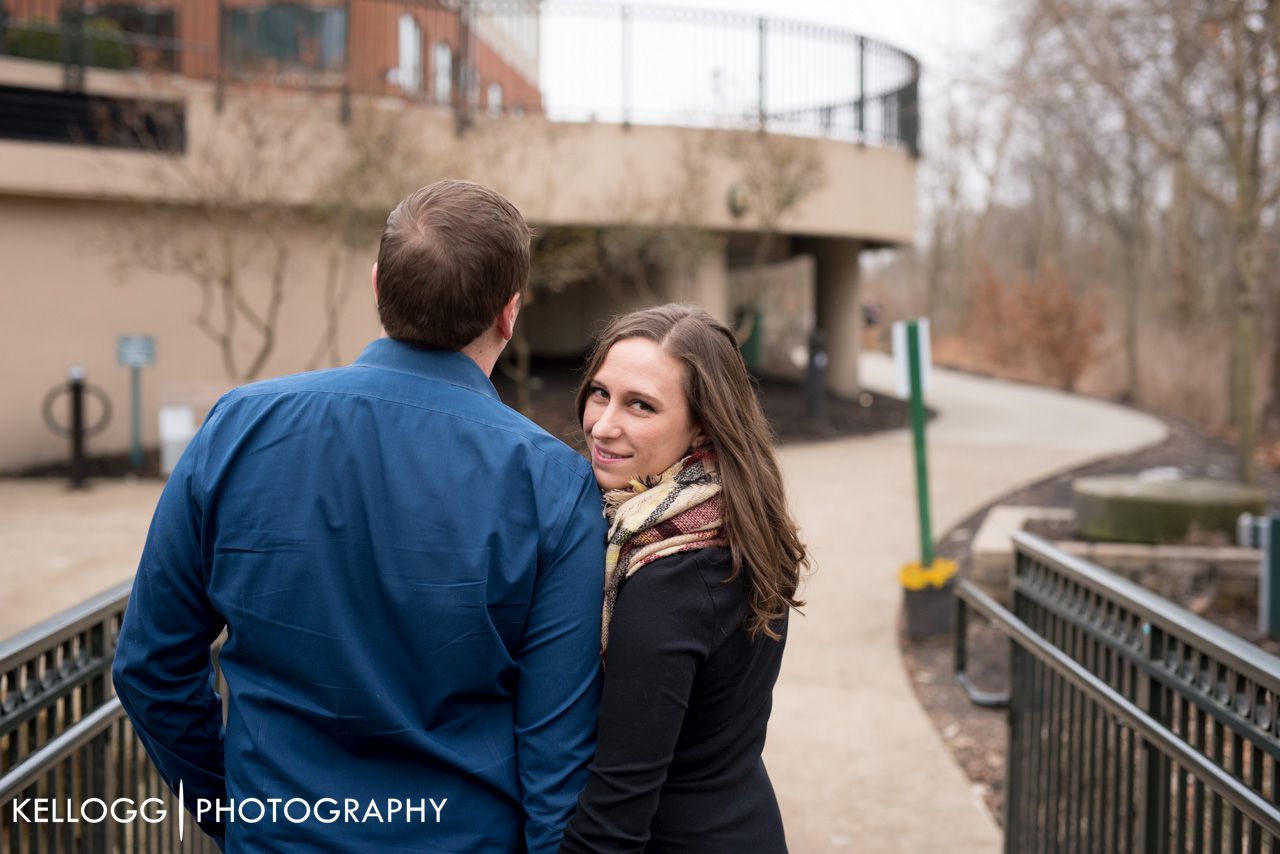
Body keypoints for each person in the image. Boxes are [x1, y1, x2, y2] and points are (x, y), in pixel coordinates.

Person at [112, 180, 607, 853]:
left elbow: (150, 665)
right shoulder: (554, 484)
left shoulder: (239, 428)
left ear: (378, 286)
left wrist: (231, 815)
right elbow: (556, 747)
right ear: (510, 313)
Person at [559, 304, 808, 853]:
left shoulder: (669, 577)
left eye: (640, 405)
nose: (603, 425)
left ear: (702, 423)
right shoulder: (731, 518)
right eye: (600, 393)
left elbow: (615, 816)